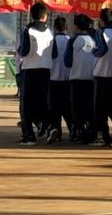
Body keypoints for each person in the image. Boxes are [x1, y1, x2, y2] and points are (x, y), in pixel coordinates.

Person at [18, 3, 54, 146]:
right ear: (45, 16)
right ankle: (48, 126)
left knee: (26, 105)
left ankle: (29, 136)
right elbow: (54, 52)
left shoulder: (27, 31)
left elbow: (24, 51)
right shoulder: (50, 32)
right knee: (42, 102)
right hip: (45, 70)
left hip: (30, 70)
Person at [64, 14, 97, 144]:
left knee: (77, 108)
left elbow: (67, 61)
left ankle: (78, 133)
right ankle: (90, 132)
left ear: (76, 26)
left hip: (76, 78)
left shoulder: (72, 41)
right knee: (89, 107)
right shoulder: (94, 39)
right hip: (91, 78)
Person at [92, 8, 112, 146]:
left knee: (100, 109)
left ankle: (103, 137)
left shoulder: (100, 33)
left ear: (101, 20)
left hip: (102, 74)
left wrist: (93, 51)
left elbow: (102, 50)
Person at [47, 16, 72, 144]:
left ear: (54, 28)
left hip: (53, 79)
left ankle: (56, 131)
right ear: (66, 27)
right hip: (67, 80)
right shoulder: (70, 40)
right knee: (67, 107)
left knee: (54, 108)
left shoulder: (52, 41)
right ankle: (73, 130)